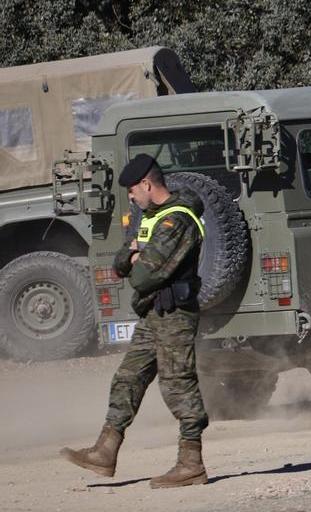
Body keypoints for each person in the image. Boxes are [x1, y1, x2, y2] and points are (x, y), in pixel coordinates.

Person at [60, 154, 210, 488]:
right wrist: (133, 256)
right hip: (153, 314)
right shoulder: (151, 217)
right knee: (128, 378)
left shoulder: (177, 221)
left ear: (147, 184)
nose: (130, 196)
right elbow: (121, 262)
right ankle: (105, 451)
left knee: (178, 384)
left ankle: (191, 463)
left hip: (174, 315)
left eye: (132, 190)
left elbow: (143, 276)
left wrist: (136, 259)